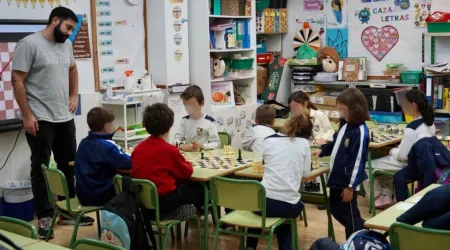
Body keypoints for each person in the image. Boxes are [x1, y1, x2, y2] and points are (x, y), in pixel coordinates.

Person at [11, 7, 93, 239]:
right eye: (67, 27)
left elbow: (73, 68)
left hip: (64, 117)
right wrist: (27, 115)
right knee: (41, 168)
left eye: (72, 29)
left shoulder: (65, 46)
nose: (69, 33)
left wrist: (74, 95)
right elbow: (17, 79)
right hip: (40, 117)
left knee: (68, 165)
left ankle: (66, 211)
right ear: (55, 20)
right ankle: (45, 215)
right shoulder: (29, 44)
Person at [246, 114, 312, 250]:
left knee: (264, 206)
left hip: (260, 202)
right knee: (291, 210)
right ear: (306, 134)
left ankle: (251, 246)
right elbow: (305, 174)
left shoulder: (269, 140)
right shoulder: (304, 143)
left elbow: (266, 162)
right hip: (287, 205)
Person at [313, 88, 370, 239]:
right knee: (334, 208)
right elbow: (335, 142)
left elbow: (357, 161)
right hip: (337, 177)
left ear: (354, 108)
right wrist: (323, 150)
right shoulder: (345, 125)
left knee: (350, 216)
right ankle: (363, 230)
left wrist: (350, 187)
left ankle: (353, 241)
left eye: (342, 110)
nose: (340, 113)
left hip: (347, 183)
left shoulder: (360, 131)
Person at [366, 89, 435, 208]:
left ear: (413, 105)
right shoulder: (430, 123)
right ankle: (386, 194)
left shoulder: (412, 127)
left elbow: (403, 157)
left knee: (367, 165)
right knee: (382, 163)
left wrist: (391, 151)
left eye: (404, 103)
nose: (401, 106)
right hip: (423, 163)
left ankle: (378, 197)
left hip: (408, 164)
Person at [132, 103, 204, 216]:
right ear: (169, 126)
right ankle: (183, 213)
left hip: (142, 203)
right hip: (164, 202)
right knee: (200, 190)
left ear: (145, 125)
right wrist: (188, 163)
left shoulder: (138, 148)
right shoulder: (170, 150)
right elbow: (187, 172)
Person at [75, 107, 131, 207]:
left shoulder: (83, 143)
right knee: (129, 181)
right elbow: (128, 162)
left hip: (83, 195)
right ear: (106, 126)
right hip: (101, 195)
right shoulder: (106, 146)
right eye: (112, 124)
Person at [175, 85, 220, 151]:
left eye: (192, 105)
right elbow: (175, 140)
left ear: (202, 103)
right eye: (186, 105)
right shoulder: (184, 120)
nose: (189, 109)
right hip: (188, 156)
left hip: (204, 157)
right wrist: (182, 145)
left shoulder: (209, 121)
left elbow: (217, 143)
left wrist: (203, 146)